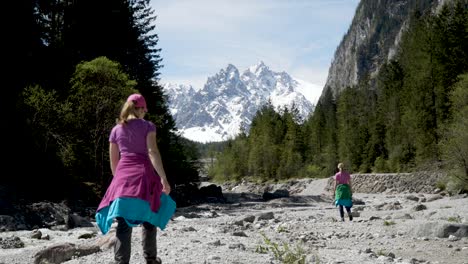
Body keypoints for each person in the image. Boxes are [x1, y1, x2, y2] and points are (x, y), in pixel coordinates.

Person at [95, 93, 176, 264]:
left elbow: (114, 162)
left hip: (123, 179)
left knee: (123, 224)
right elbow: (152, 152)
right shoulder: (148, 126)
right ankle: (151, 259)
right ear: (139, 109)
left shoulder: (116, 130)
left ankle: (121, 262)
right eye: (144, 110)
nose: (144, 113)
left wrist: (118, 183)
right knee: (148, 219)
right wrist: (163, 178)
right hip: (144, 177)